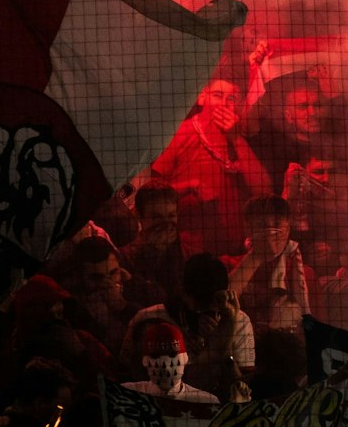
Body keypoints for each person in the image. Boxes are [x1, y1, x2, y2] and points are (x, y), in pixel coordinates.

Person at [146, 79, 271, 257]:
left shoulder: (244, 137)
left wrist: (237, 139)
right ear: (202, 98)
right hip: (189, 250)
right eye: (218, 96)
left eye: (232, 98)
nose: (224, 104)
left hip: (235, 251)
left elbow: (264, 191)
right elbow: (151, 195)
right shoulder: (181, 133)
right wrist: (190, 186)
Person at [126, 256, 255, 403]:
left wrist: (224, 341)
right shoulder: (149, 319)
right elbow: (167, 390)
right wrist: (212, 351)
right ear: (184, 293)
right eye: (200, 311)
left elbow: (243, 391)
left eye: (214, 312)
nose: (208, 318)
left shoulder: (237, 321)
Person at [228, 195, 312, 335]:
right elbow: (223, 301)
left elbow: (314, 323)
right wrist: (257, 256)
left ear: (288, 228)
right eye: (262, 226)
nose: (271, 231)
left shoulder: (303, 274)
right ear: (248, 229)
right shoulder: (230, 266)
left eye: (277, 224)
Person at [125, 323, 221, 404]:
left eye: (172, 355)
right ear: (145, 361)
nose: (165, 366)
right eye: (156, 356)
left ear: (185, 358)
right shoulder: (127, 394)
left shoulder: (206, 402)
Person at [126, 182, 186, 306]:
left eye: (171, 215)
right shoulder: (126, 256)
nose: (165, 224)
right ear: (138, 215)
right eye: (156, 217)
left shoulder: (187, 250)